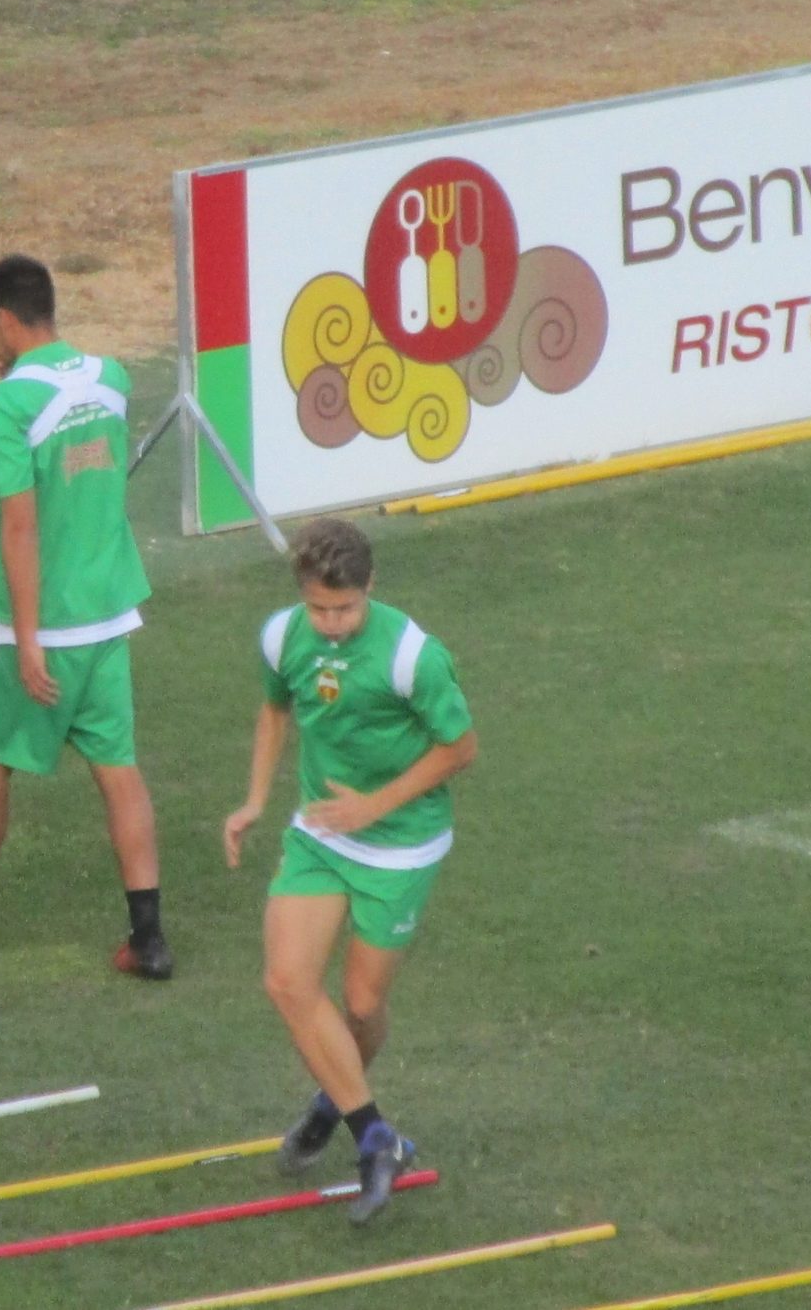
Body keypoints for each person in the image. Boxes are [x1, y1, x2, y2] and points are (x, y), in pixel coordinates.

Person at [0, 255, 170, 977]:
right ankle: (148, 938)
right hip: (108, 612)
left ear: (6, 320)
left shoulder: (4, 408)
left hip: (37, 623)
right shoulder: (112, 378)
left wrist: (26, 639)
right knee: (120, 772)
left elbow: (21, 525)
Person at [221, 517, 478, 1222]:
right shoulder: (282, 638)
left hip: (401, 847)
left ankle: (331, 1105)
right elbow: (275, 711)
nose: (332, 623)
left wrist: (374, 806)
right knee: (287, 981)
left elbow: (460, 748)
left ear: (371, 586)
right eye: (319, 608)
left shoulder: (413, 656)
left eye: (346, 608)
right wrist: (254, 801)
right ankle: (375, 1135)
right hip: (321, 834)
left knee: (361, 1006)